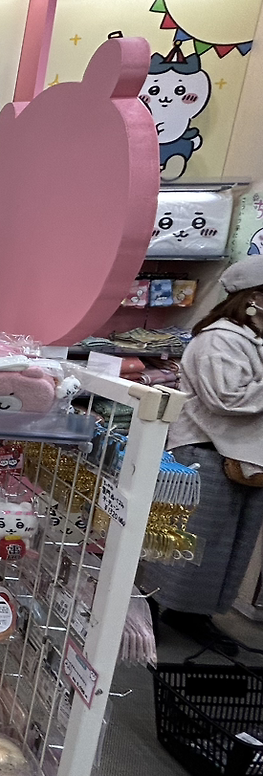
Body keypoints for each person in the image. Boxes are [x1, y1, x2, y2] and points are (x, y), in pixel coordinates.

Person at [146, 256, 263, 646]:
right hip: (205, 454)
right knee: (185, 541)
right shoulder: (219, 339)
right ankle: (152, 610)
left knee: (227, 545)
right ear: (252, 297)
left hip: (245, 458)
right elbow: (225, 398)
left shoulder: (250, 338)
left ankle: (193, 615)